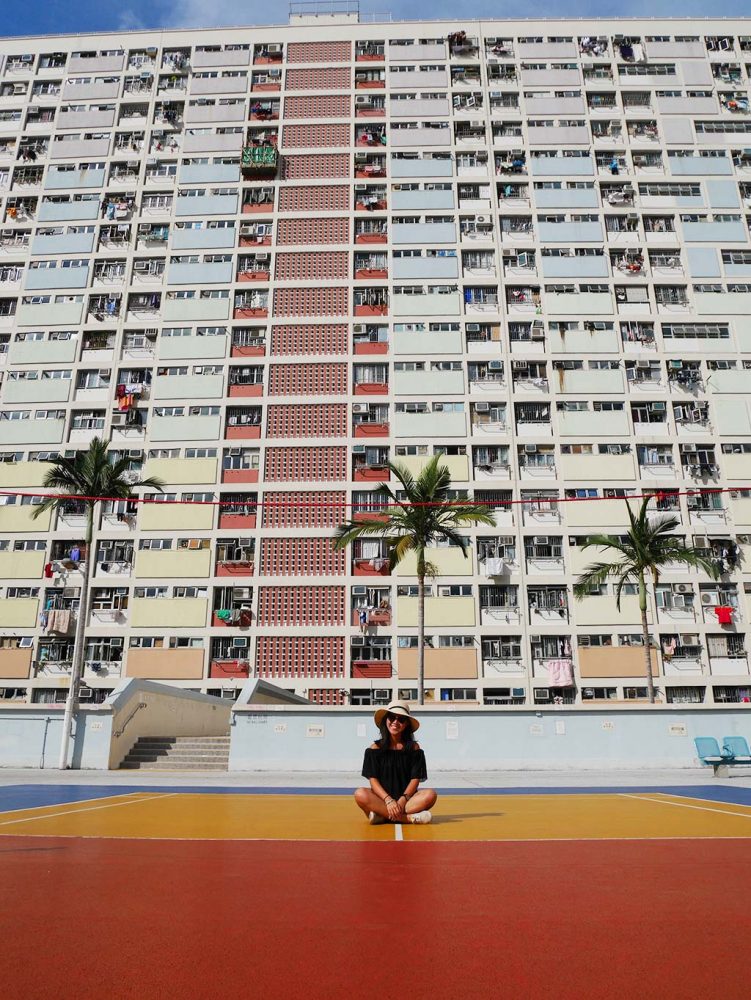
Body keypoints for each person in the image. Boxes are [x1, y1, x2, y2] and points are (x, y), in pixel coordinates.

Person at [354, 701, 437, 825]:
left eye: (401, 719)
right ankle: (408, 818)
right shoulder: (374, 749)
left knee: (430, 794)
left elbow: (415, 779)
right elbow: (373, 780)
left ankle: (382, 816)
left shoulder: (414, 748)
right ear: (386, 720)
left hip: (407, 801)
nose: (395, 722)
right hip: (382, 799)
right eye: (392, 717)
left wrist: (402, 800)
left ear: (406, 724)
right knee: (360, 794)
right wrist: (388, 800)